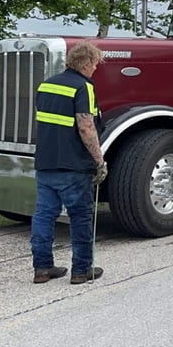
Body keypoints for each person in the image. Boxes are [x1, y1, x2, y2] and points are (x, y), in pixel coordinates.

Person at [31, 40, 108, 285]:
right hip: (74, 165)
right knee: (80, 217)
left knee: (44, 215)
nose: (95, 68)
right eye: (95, 64)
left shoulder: (46, 85)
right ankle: (81, 271)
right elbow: (86, 127)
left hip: (45, 162)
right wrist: (99, 161)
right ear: (86, 64)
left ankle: (42, 268)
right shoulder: (83, 87)